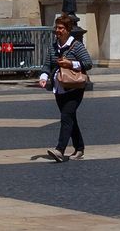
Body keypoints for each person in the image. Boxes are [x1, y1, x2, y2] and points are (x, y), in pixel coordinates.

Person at [36, 12, 93, 162]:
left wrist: (71, 64)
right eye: (57, 28)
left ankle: (59, 150)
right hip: (59, 88)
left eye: (61, 28)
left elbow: (88, 63)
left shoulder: (76, 46)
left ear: (68, 30)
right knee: (70, 118)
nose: (58, 30)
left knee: (66, 117)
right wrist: (43, 77)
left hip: (74, 88)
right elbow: (47, 65)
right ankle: (79, 148)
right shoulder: (53, 47)